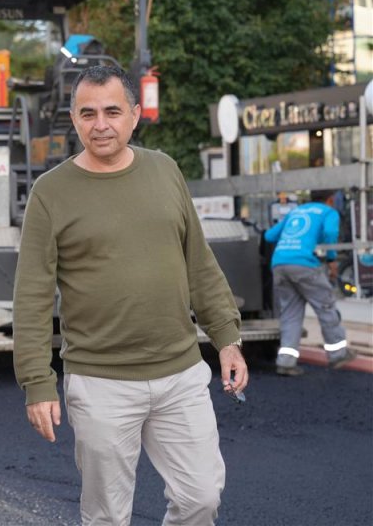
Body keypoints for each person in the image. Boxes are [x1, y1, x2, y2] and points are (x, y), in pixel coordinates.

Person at [12, 65, 248, 526]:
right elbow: (33, 296)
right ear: (74, 119)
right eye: (88, 113)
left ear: (134, 115)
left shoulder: (164, 170)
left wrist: (227, 339)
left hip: (179, 373)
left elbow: (198, 262)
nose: (101, 124)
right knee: (106, 517)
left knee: (201, 498)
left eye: (112, 111)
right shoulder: (50, 192)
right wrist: (37, 381)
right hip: (100, 382)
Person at [264, 189, 357, 376]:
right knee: (325, 306)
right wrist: (331, 259)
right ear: (330, 199)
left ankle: (286, 362)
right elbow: (331, 232)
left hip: (280, 264)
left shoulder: (296, 211)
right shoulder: (328, 212)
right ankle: (338, 354)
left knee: (290, 312)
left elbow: (269, 236)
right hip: (304, 264)